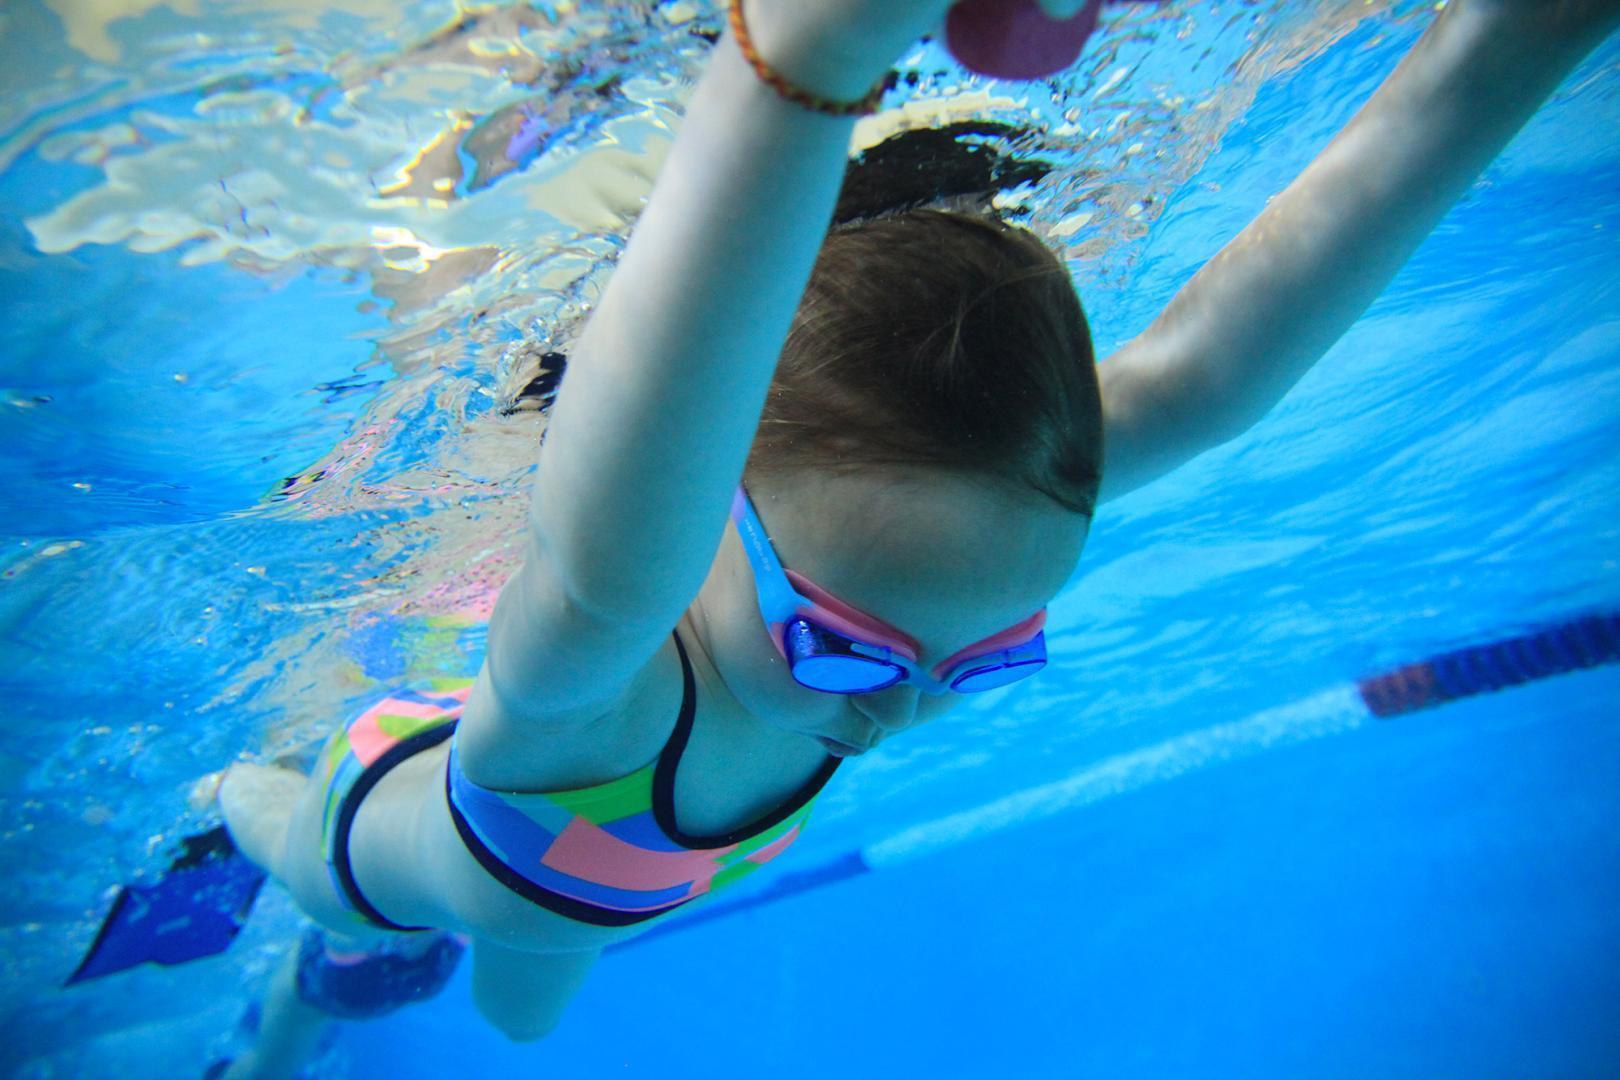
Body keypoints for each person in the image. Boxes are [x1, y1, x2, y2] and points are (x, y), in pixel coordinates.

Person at [214, 0, 1620, 1075]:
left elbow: (1210, 379)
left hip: (603, 883)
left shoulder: (905, 558)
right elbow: (617, 515)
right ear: (707, 498)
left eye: (992, 658)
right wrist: (806, 55)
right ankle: (271, 893)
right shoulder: (595, 663)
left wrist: (1520, 39)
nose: (907, 705)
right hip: (384, 828)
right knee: (338, 910)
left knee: (525, 1015)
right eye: (842, 648)